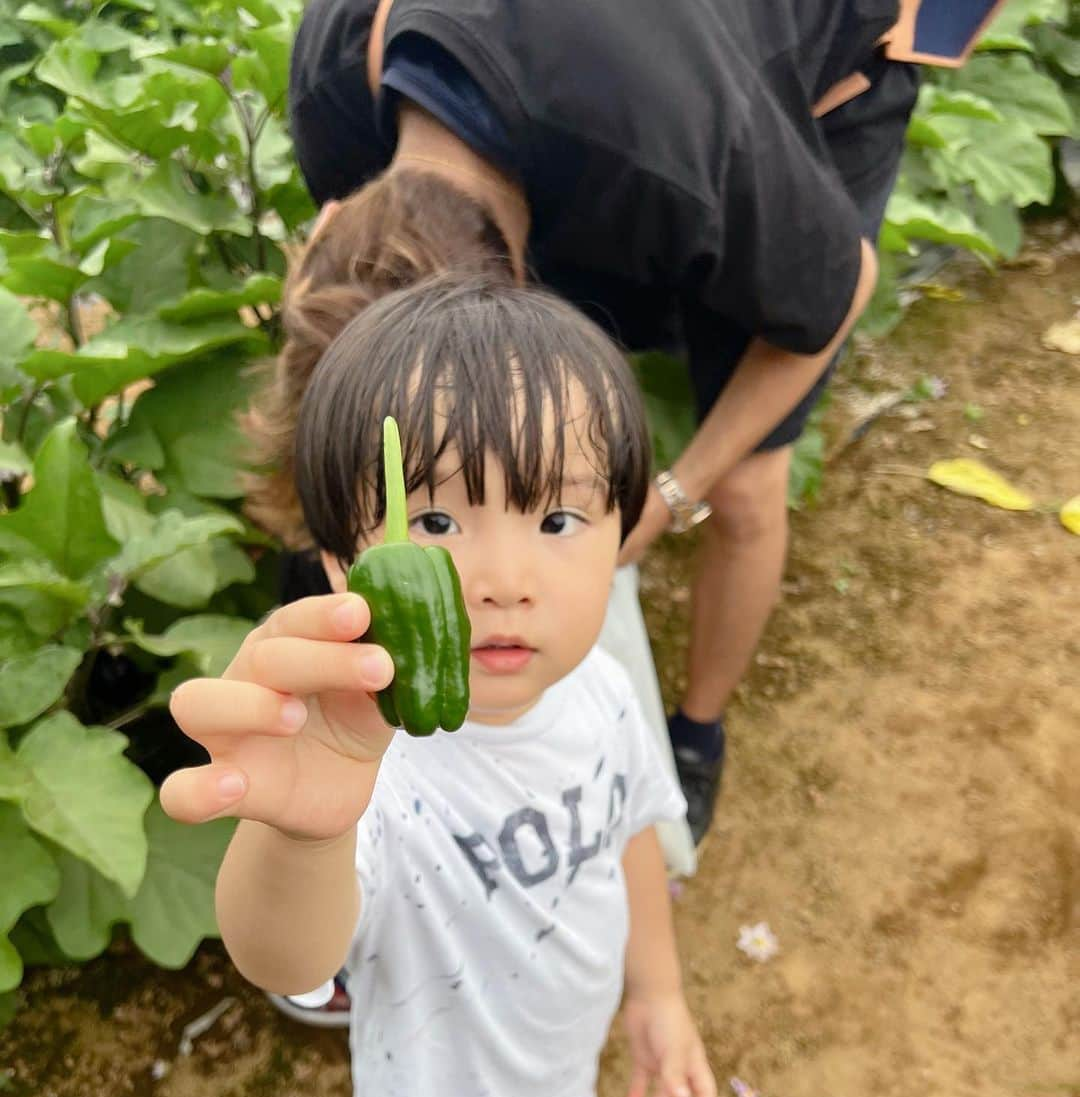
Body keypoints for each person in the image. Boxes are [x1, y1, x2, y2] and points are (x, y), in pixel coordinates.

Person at [162, 274, 718, 1097]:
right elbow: (283, 956)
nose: (502, 576)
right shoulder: (375, 768)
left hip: (560, 1037)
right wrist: (304, 827)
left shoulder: (603, 689)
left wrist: (657, 990)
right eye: (432, 518)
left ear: (623, 536)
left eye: (557, 516)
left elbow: (631, 833)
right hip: (438, 1095)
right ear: (339, 563)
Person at [273, 0, 928, 854]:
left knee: (747, 482)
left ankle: (696, 735)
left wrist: (671, 491)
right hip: (617, 82)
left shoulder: (672, 161)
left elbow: (840, 296)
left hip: (796, 81)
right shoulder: (332, 86)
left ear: (523, 291)